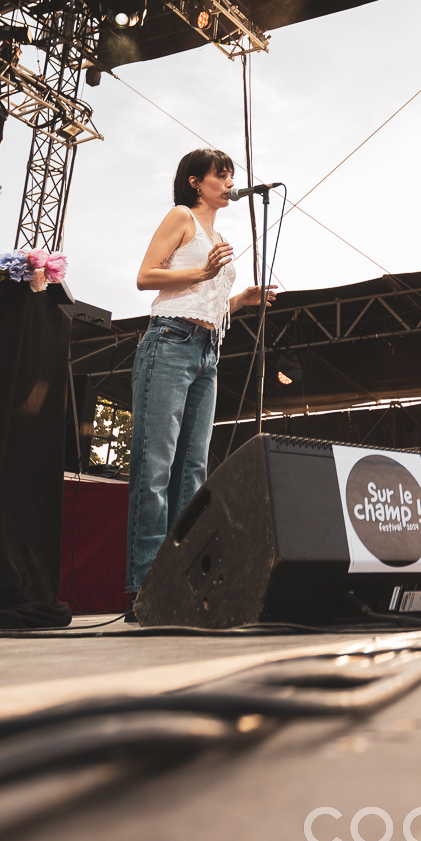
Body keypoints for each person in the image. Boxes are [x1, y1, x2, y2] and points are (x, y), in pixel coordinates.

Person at [123, 149, 275, 601]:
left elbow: (203, 301)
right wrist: (203, 270)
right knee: (156, 466)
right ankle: (144, 587)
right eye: (220, 175)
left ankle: (181, 583)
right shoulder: (181, 216)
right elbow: (146, 277)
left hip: (208, 350)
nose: (229, 183)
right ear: (195, 182)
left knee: (193, 470)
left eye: (231, 176)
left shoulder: (220, 234)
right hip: (169, 341)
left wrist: (240, 301)